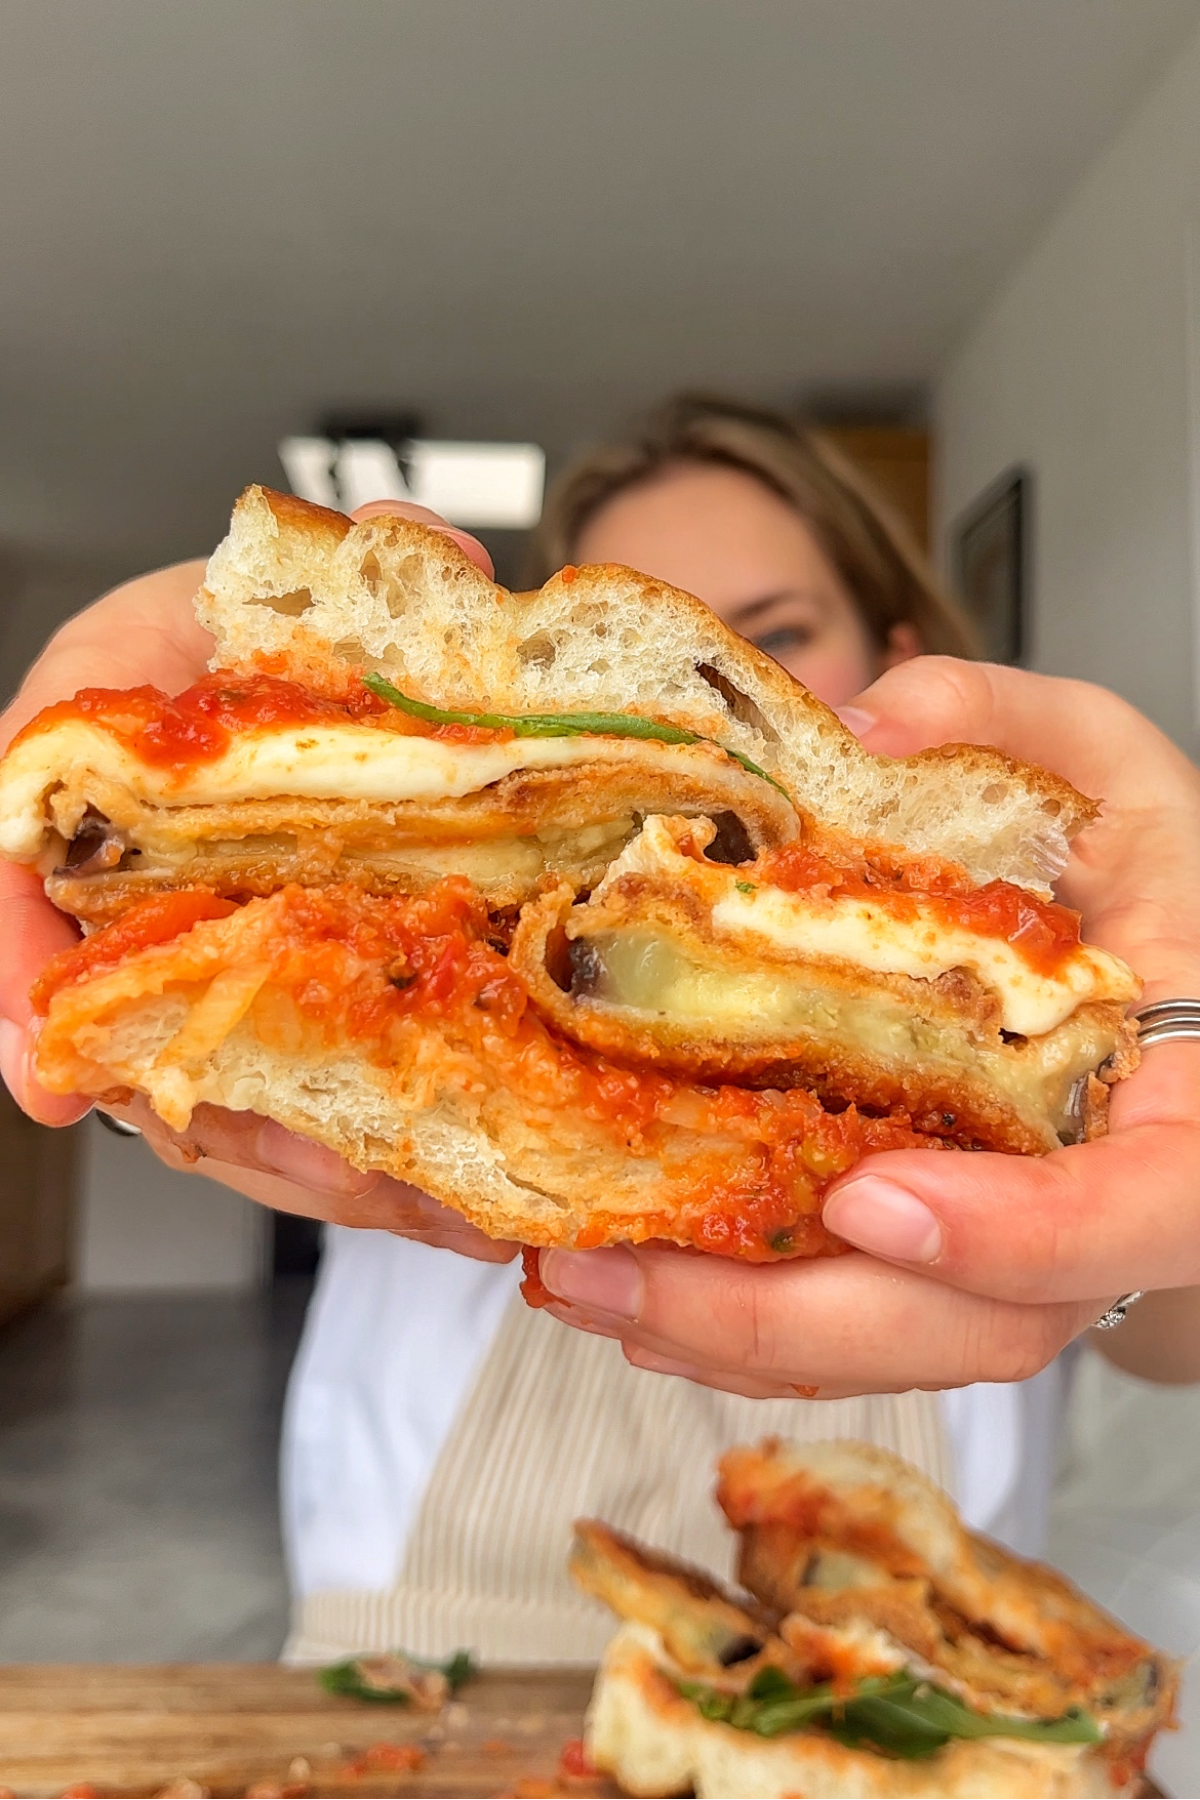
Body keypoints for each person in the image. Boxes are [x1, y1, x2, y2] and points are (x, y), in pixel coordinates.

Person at [2, 396, 1198, 1664]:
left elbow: (1177, 1338)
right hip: (416, 1673)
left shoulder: (1055, 939)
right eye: (669, 636)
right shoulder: (339, 908)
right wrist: (220, 671)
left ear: (899, 654)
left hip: (907, 1674)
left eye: (779, 633)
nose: (711, 698)